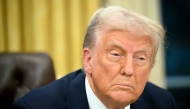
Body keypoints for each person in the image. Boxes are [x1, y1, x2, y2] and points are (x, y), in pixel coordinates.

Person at [9, 6, 177, 109]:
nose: (128, 69)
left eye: (140, 58)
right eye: (116, 54)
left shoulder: (162, 103)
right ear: (88, 60)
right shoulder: (35, 107)